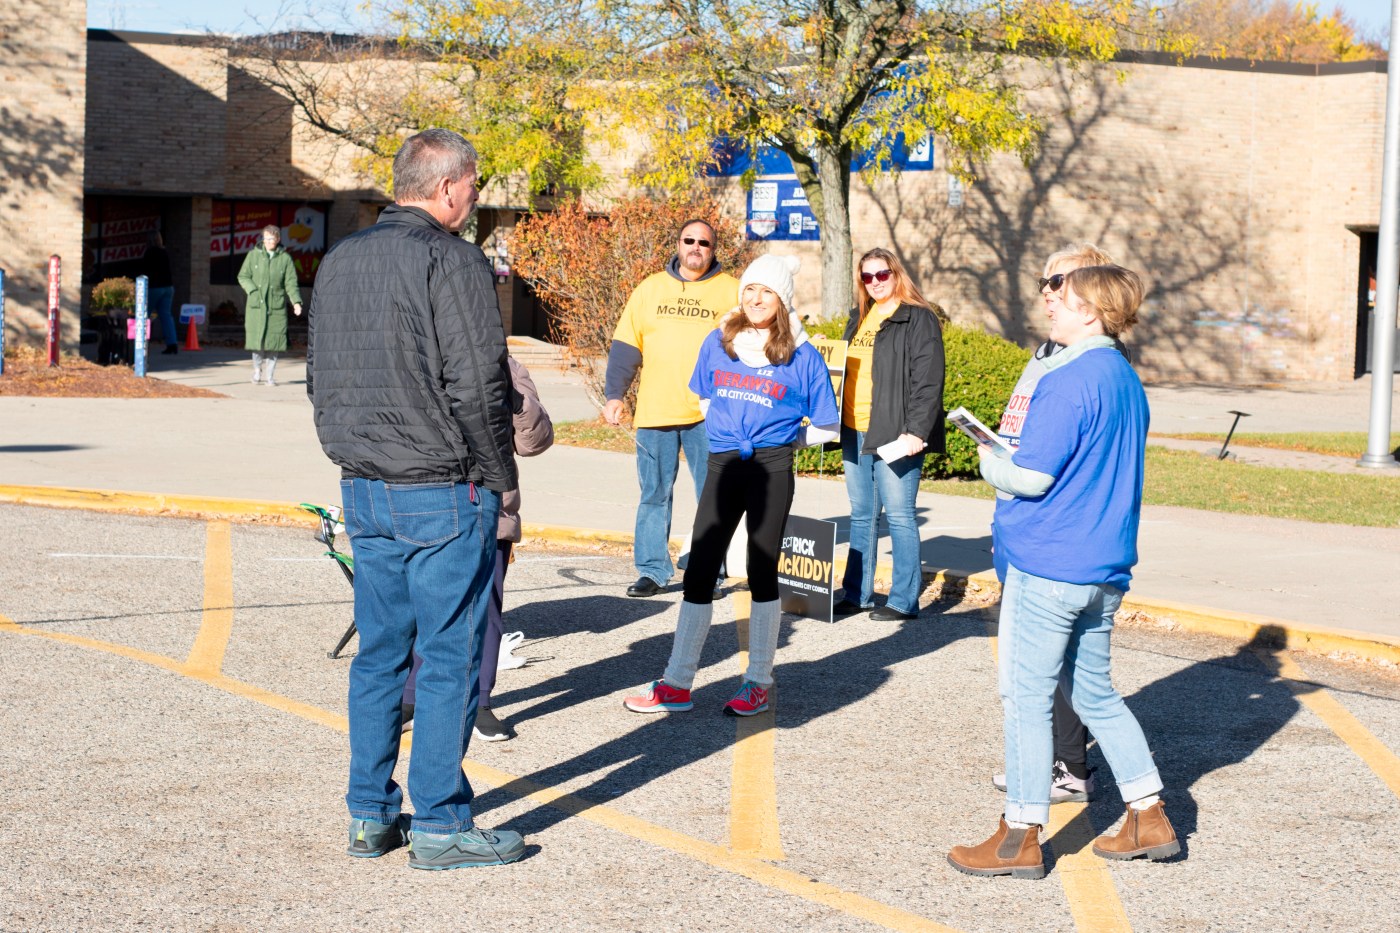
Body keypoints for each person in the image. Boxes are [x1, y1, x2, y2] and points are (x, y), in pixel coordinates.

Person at [306, 128, 526, 871]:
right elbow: (479, 382)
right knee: (447, 658)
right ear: (446, 187)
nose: (475, 197)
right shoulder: (452, 258)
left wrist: (347, 451)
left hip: (365, 487)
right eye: (473, 185)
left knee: (378, 657)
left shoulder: (342, 257)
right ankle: (438, 822)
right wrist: (497, 477)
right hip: (439, 484)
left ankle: (369, 815)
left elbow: (318, 376)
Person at [948, 264, 1178, 881]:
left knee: (1025, 697)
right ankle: (1147, 813)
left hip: (1049, 560)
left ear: (1093, 312)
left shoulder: (1069, 378)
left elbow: (1030, 477)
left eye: (1065, 299)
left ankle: (1019, 834)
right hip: (1103, 564)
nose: (1053, 306)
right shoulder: (1125, 379)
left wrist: (987, 455)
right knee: (1095, 694)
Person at [623, 255, 839, 717]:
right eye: (749, 290)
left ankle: (758, 682)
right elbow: (703, 395)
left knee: (761, 570)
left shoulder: (802, 354)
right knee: (700, 568)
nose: (755, 299)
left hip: (772, 467)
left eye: (766, 292)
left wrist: (784, 440)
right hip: (723, 462)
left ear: (781, 299)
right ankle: (677, 683)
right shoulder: (719, 341)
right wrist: (725, 431)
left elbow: (826, 424)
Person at [990, 243, 1124, 806]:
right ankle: (1134, 795)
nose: (1047, 291)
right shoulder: (1047, 353)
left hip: (1055, 538)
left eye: (1059, 281)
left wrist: (996, 465)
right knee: (1047, 666)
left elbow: (1061, 460)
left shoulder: (1090, 367)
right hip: (1019, 520)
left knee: (1050, 673)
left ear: (1089, 292)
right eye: (1043, 280)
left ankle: (1064, 774)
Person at [402, 355, 554, 743]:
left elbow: (535, 442)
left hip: (492, 510)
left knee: (486, 613)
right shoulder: (420, 356)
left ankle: (481, 702)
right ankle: (412, 697)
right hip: (431, 505)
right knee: (427, 607)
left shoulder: (508, 366)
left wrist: (516, 398)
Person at [603, 220, 739, 598]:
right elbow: (627, 346)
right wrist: (615, 394)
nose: (696, 247)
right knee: (654, 494)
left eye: (704, 243)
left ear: (713, 249)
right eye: (689, 240)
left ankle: (709, 570)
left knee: (712, 496)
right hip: (655, 412)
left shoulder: (732, 291)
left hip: (710, 415)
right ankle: (651, 570)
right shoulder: (650, 289)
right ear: (678, 244)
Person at [836, 248, 946, 621]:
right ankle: (857, 593)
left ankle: (903, 600)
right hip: (853, 428)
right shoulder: (859, 318)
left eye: (882, 274)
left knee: (899, 516)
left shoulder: (918, 319)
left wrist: (916, 431)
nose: (876, 282)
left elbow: (928, 381)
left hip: (894, 430)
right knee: (862, 514)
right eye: (867, 277)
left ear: (896, 274)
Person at [238, 224, 302, 386]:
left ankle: (270, 375)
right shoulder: (253, 256)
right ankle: (257, 370)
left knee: (274, 342)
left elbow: (291, 282)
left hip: (276, 307)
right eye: (266, 238)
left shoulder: (285, 259)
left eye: (271, 239)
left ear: (278, 239)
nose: (268, 242)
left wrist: (296, 302)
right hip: (256, 307)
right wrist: (252, 291)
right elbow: (243, 276)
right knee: (257, 342)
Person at [139, 231, 179, 355]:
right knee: (166, 316)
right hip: (168, 287)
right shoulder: (164, 252)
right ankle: (172, 344)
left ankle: (141, 344)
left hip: (154, 288)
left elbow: (145, 270)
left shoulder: (149, 253)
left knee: (144, 315)